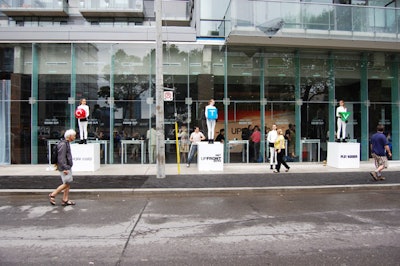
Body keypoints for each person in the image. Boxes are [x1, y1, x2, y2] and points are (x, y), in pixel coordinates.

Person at [48, 129, 77, 206]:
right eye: (74, 136)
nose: (75, 137)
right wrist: (65, 168)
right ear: (70, 136)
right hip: (65, 167)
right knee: (67, 182)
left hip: (66, 166)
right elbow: (61, 158)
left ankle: (65, 199)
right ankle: (53, 195)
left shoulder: (65, 143)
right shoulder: (63, 144)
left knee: (67, 183)